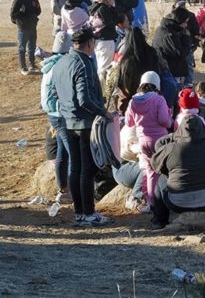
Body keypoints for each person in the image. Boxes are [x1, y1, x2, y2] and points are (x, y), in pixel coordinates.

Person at [52, 28, 113, 227]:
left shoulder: (61, 62)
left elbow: (56, 92)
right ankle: (88, 212)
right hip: (83, 124)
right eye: (93, 44)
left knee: (75, 168)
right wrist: (104, 113)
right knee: (87, 169)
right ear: (88, 44)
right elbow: (84, 98)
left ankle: (79, 213)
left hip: (65, 121)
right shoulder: (83, 63)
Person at [150, 115, 205, 230]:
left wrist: (174, 136)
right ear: (202, 128)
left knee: (160, 181)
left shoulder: (171, 148)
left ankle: (159, 221)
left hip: (178, 204)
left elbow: (155, 164)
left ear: (180, 129)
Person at [125, 71, 172, 206]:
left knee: (150, 172)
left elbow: (129, 122)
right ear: (156, 84)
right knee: (164, 170)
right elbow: (165, 121)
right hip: (159, 141)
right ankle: (165, 200)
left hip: (143, 142)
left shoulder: (133, 101)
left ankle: (152, 202)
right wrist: (169, 115)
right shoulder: (159, 99)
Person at [40, 51, 71, 203]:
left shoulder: (49, 65)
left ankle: (63, 189)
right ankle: (69, 191)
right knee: (72, 153)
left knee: (62, 152)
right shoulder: (60, 66)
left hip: (52, 113)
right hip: (60, 113)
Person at [10, 0, 41, 74]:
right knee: (22, 48)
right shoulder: (18, 0)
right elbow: (13, 15)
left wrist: (36, 8)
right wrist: (21, 12)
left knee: (32, 47)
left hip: (32, 27)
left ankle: (32, 65)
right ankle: (23, 67)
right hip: (23, 28)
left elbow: (39, 11)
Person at [89, 0, 118, 84]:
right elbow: (111, 21)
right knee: (104, 67)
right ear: (108, 0)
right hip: (106, 40)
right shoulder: (103, 10)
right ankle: (102, 88)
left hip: (98, 40)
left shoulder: (96, 8)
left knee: (101, 65)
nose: (114, 1)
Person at [152, 8, 190, 81]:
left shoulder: (164, 29)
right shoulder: (169, 35)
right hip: (170, 73)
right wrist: (186, 38)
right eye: (185, 22)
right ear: (179, 21)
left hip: (167, 70)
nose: (186, 25)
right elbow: (181, 53)